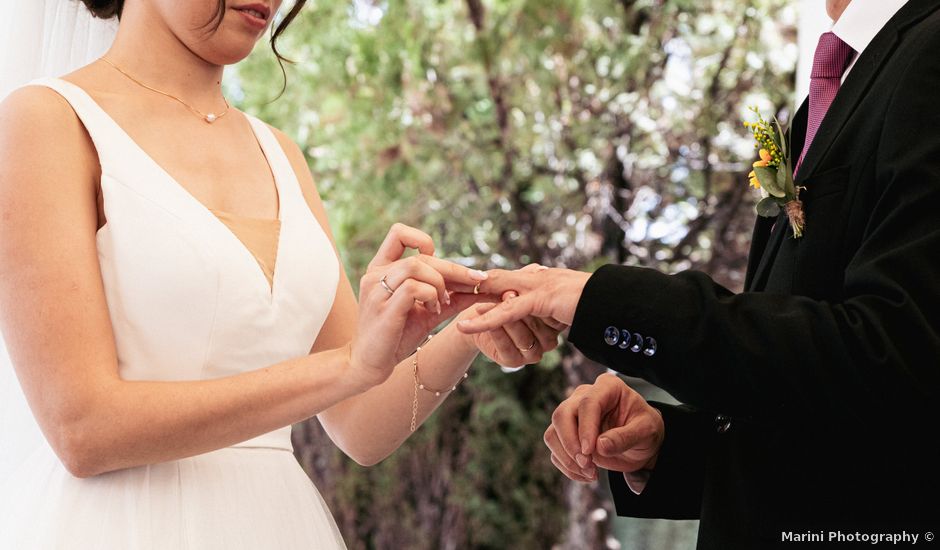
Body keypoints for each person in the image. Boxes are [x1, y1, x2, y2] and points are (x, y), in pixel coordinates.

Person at [0, 1, 562, 548]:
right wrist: (349, 365)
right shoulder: (48, 121)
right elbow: (82, 430)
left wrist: (467, 324)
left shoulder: (280, 153)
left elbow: (361, 424)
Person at [459, 0, 940, 547]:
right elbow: (825, 405)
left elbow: (898, 357)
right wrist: (668, 443)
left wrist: (598, 299)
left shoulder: (929, 55)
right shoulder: (834, 88)